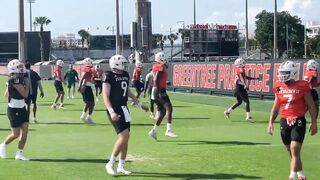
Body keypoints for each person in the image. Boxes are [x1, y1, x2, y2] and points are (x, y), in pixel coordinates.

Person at [267, 60, 318, 180]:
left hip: (298, 121)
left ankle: (292, 176)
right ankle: (301, 174)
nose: (282, 75)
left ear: (293, 72)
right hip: (284, 121)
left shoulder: (302, 86)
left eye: (285, 72)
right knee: (292, 152)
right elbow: (276, 107)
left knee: (294, 149)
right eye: (281, 72)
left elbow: (311, 105)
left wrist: (314, 122)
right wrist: (270, 122)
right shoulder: (279, 86)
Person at [103, 54, 148, 175]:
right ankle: (110, 163)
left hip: (124, 108)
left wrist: (139, 103)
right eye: (123, 63)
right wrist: (111, 111)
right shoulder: (109, 76)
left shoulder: (125, 75)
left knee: (126, 138)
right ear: (116, 64)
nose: (125, 66)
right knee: (124, 136)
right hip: (115, 109)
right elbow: (105, 96)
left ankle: (121, 166)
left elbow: (126, 90)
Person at [0, 59, 30, 161]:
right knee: (15, 134)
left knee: (25, 130)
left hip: (22, 108)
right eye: (19, 67)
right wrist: (27, 83)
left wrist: (10, 88)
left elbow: (6, 95)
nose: (21, 69)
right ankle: (3, 145)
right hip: (13, 109)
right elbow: (25, 94)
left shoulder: (16, 79)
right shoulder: (14, 79)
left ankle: (19, 153)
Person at [148, 52, 177, 140]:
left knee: (163, 112)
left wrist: (164, 83)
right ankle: (168, 130)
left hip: (157, 90)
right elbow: (156, 79)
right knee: (169, 108)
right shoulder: (160, 66)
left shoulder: (158, 66)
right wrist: (159, 90)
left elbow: (158, 78)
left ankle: (153, 131)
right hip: (159, 90)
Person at [223, 58, 259, 122]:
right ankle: (248, 116)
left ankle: (228, 111)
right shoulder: (241, 69)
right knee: (246, 101)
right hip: (240, 87)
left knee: (239, 102)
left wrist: (255, 78)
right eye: (243, 62)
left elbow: (245, 77)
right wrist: (245, 85)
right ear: (240, 63)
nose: (244, 64)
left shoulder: (238, 69)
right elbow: (242, 77)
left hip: (237, 87)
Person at [78, 58, 95, 124]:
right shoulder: (88, 69)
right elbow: (83, 79)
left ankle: (83, 116)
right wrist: (79, 87)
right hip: (86, 87)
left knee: (88, 103)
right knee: (92, 103)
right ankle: (88, 117)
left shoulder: (85, 69)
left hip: (85, 86)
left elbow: (85, 79)